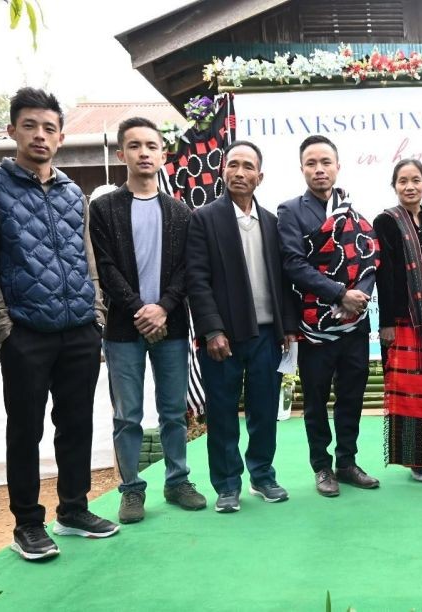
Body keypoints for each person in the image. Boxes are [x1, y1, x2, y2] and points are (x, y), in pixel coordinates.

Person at [0, 87, 119, 562]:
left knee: (76, 426)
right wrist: (4, 333)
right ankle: (28, 524)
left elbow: (88, 259)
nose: (40, 135)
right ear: (12, 131)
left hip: (78, 331)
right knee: (25, 431)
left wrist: (96, 316)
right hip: (25, 334)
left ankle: (73, 510)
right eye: (30, 125)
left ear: (62, 137)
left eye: (49, 128)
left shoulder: (75, 193)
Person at [89, 117, 206, 524]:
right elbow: (105, 266)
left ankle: (177, 482)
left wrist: (163, 308)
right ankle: (132, 490)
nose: (143, 153)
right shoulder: (104, 208)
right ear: (122, 154)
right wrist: (141, 309)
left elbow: (188, 270)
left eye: (151, 146)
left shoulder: (180, 211)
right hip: (124, 329)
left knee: (173, 411)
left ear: (163, 154)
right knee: (128, 415)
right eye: (134, 146)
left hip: (171, 327)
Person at [185, 140, 298, 513]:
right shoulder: (204, 219)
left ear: (259, 176)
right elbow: (197, 280)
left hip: (267, 335)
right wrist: (212, 330)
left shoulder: (270, 221)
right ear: (223, 170)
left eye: (248, 167)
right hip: (223, 339)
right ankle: (227, 485)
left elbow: (283, 280)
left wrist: (287, 328)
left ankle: (263, 476)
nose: (240, 173)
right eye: (233, 165)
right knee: (221, 412)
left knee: (265, 411)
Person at [276, 135, 380, 497]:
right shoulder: (290, 211)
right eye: (311, 163)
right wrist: (339, 294)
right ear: (302, 168)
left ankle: (347, 462)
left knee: (352, 396)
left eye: (325, 162)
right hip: (313, 326)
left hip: (354, 324)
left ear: (338, 166)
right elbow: (293, 264)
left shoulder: (351, 211)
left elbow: (368, 259)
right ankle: (322, 467)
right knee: (317, 400)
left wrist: (359, 296)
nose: (319, 169)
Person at [374, 159, 422, 482]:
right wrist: (388, 322)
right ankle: (416, 459)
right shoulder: (386, 222)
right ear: (394, 186)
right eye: (403, 181)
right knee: (410, 392)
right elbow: (385, 273)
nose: (410, 186)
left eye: (416, 180)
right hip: (404, 321)